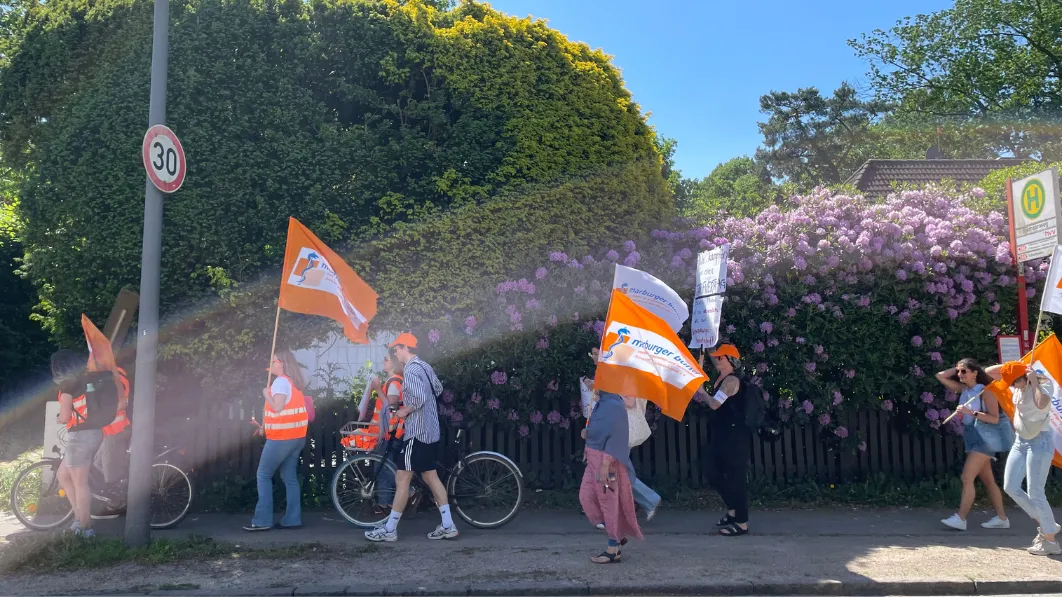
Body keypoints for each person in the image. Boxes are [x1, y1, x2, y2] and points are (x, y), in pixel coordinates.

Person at [365, 333, 458, 542]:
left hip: (417, 432)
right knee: (430, 477)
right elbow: (438, 389)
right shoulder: (424, 366)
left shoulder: (412, 369)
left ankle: (389, 529)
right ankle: (448, 525)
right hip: (431, 430)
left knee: (402, 477)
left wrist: (403, 411)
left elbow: (420, 398)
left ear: (405, 347)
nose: (394, 353)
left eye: (396, 349)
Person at [581, 348, 661, 523]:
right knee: (615, 471)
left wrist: (603, 389)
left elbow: (630, 402)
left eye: (597, 354)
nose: (594, 357)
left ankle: (647, 500)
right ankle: (619, 509)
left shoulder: (623, 375)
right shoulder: (611, 375)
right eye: (592, 354)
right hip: (613, 428)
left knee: (620, 471)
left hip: (620, 429)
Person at [988, 362, 1060, 555]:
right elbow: (987, 372)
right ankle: (1048, 526)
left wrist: (1035, 381)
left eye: (1013, 381)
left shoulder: (1044, 386)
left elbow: (1042, 403)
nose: (1011, 385)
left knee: (1035, 491)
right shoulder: (1017, 387)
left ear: (1024, 378)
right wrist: (1014, 365)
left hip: (1040, 442)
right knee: (1010, 487)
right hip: (1021, 441)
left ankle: (1050, 542)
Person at [52, 349, 124, 537]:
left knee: (80, 483)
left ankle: (85, 527)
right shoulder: (87, 379)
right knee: (63, 474)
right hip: (94, 432)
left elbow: (66, 415)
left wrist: (60, 418)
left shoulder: (68, 386)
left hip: (80, 436)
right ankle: (79, 518)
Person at [935, 358, 1011, 531]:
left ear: (975, 372)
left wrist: (972, 412)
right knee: (988, 480)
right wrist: (957, 368)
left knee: (967, 477)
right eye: (958, 371)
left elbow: (994, 418)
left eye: (964, 371)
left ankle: (961, 519)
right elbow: (940, 376)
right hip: (972, 436)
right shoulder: (964, 389)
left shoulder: (986, 391)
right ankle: (1002, 518)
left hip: (985, 437)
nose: (959, 374)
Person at [244, 349, 309, 531]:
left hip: (282, 439)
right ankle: (292, 519)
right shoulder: (293, 383)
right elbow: (284, 411)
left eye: (273, 360)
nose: (271, 364)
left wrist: (266, 394)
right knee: (289, 477)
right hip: (296, 437)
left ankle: (262, 520)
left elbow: (278, 407)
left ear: (282, 363)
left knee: (263, 475)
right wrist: (265, 426)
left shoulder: (280, 382)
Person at [580, 390, 643, 563]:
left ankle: (613, 548)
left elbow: (617, 436)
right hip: (594, 459)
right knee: (586, 497)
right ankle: (617, 533)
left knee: (608, 503)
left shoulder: (615, 405)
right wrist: (587, 435)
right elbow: (599, 428)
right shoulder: (602, 402)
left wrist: (606, 464)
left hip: (605, 463)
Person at [705, 344, 752, 537]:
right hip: (722, 435)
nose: (716, 360)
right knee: (712, 470)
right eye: (716, 357)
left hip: (735, 437)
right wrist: (705, 341)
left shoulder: (731, 381)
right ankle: (732, 510)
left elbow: (715, 404)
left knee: (735, 477)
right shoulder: (722, 377)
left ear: (731, 361)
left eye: (720, 358)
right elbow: (708, 353)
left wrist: (700, 392)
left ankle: (741, 522)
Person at [358, 351, 405, 513]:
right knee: (383, 466)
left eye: (386, 359)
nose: (383, 362)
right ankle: (384, 504)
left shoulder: (394, 383)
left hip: (390, 433)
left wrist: (377, 389)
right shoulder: (392, 382)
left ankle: (409, 492)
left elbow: (390, 407)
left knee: (385, 468)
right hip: (386, 432)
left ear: (393, 362)